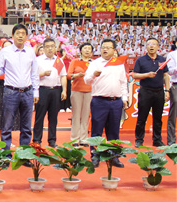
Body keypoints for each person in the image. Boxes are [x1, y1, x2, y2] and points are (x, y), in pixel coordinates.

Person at [0, 24, 39, 150]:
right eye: (18, 33)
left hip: (27, 92)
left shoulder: (30, 52)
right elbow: (0, 70)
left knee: (26, 127)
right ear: (13, 36)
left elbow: (34, 73)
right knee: (7, 125)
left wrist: (36, 91)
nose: (20, 36)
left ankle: (24, 154)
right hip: (10, 92)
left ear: (26, 36)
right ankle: (6, 154)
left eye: (23, 33)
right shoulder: (5, 51)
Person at [84, 38, 129, 167]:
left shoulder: (119, 64)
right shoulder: (95, 63)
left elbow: (123, 83)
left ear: (114, 50)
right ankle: (95, 156)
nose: (105, 49)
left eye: (108, 47)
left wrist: (124, 98)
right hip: (99, 101)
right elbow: (87, 80)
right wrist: (93, 74)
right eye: (103, 47)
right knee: (96, 130)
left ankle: (113, 157)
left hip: (116, 101)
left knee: (114, 131)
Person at [132, 37, 169, 147]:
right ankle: (139, 139)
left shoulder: (162, 59)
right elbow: (134, 75)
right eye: (149, 44)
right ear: (146, 47)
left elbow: (165, 75)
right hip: (145, 91)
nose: (151, 46)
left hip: (159, 92)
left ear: (158, 47)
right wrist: (147, 75)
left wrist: (167, 90)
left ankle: (157, 140)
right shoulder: (140, 60)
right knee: (142, 117)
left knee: (158, 118)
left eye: (154, 44)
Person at [33, 38, 67, 148]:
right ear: (43, 48)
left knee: (53, 117)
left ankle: (52, 140)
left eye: (52, 46)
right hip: (42, 90)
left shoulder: (59, 60)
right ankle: (37, 140)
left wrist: (64, 90)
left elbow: (63, 76)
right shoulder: (38, 60)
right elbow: (32, 76)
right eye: (47, 46)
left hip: (56, 90)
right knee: (39, 116)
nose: (50, 49)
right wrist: (43, 74)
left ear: (55, 48)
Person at [68, 42, 93, 146]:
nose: (87, 50)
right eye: (85, 48)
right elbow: (68, 75)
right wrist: (76, 75)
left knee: (86, 116)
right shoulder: (75, 61)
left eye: (89, 48)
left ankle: (84, 139)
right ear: (81, 50)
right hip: (77, 90)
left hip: (90, 91)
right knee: (76, 115)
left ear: (91, 52)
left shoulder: (93, 63)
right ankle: (74, 139)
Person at [166, 42, 177, 145]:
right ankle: (171, 139)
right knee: (174, 113)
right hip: (176, 85)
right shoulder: (172, 54)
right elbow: (170, 71)